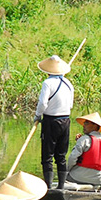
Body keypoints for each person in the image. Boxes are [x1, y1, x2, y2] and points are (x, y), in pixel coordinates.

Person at [33, 55, 75, 189]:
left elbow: (43, 103)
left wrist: (38, 115)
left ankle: (49, 187)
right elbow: (70, 105)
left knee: (47, 155)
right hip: (65, 120)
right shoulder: (69, 83)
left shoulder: (48, 83)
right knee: (61, 155)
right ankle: (61, 186)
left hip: (51, 121)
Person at [65, 112, 101, 192]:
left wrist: (68, 170)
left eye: (86, 123)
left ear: (95, 125)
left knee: (64, 174)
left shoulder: (84, 139)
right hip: (97, 178)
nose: (83, 125)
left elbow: (72, 158)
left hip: (77, 176)